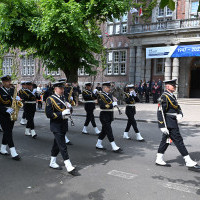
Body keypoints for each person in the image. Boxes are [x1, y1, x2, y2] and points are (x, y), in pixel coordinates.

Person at [156, 79, 200, 172]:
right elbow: (160, 112)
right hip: (169, 123)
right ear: (168, 87)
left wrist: (180, 113)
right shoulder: (164, 97)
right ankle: (188, 161)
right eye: (173, 86)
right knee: (179, 141)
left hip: (172, 120)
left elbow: (177, 106)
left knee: (166, 141)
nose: (175, 87)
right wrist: (162, 126)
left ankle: (159, 159)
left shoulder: (171, 96)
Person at [45, 81, 79, 176]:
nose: (62, 90)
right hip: (56, 126)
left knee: (57, 144)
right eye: (60, 88)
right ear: (55, 89)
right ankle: (68, 165)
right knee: (62, 146)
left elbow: (68, 111)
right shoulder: (50, 99)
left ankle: (52, 162)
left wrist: (69, 108)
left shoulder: (63, 98)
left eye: (63, 88)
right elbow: (49, 114)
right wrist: (61, 114)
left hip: (63, 124)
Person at [96, 82, 122, 153]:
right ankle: (114, 146)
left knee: (104, 131)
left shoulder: (110, 95)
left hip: (109, 115)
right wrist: (111, 105)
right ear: (105, 88)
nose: (110, 88)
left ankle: (98, 144)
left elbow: (111, 102)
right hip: (104, 115)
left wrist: (114, 101)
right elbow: (102, 106)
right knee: (109, 130)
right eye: (108, 87)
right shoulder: (101, 95)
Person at [0, 75, 20, 160]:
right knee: (8, 132)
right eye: (7, 81)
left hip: (12, 113)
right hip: (2, 114)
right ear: (3, 82)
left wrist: (17, 100)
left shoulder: (13, 90)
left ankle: (3, 148)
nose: (9, 83)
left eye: (10, 81)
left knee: (8, 131)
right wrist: (5, 110)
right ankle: (13, 151)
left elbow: (14, 101)